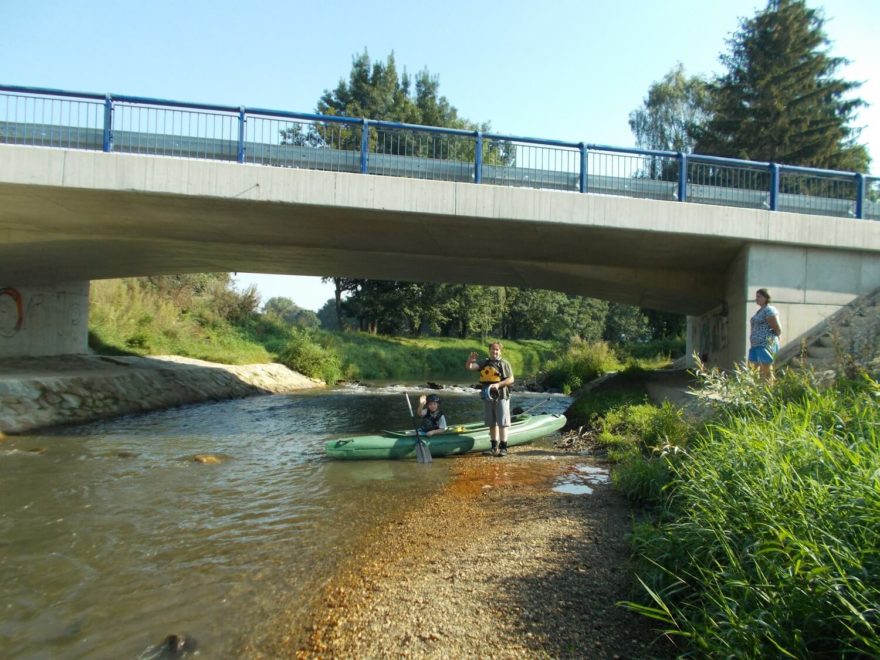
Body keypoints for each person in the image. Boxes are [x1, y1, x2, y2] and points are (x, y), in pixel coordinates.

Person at [466, 342, 515, 456]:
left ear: (500, 351)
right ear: (489, 350)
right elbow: (470, 367)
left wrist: (498, 385)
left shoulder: (504, 363)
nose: (495, 352)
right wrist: (470, 360)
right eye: (493, 350)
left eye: (497, 350)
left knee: (502, 422)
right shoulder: (485, 362)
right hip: (488, 396)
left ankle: (503, 448)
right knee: (492, 422)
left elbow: (511, 379)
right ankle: (493, 447)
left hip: (501, 395)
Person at [748, 288, 782, 380]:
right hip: (755, 345)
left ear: (766, 297)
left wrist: (777, 337)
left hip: (765, 344)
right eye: (756, 296)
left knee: (765, 368)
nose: (757, 298)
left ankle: (768, 388)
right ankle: (755, 389)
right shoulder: (759, 312)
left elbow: (777, 327)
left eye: (759, 296)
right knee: (753, 368)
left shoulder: (769, 309)